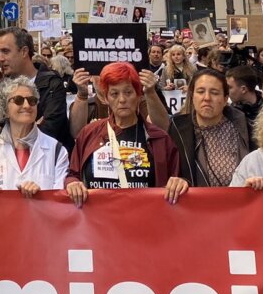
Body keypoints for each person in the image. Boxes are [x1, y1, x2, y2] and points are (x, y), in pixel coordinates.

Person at [66, 61, 187, 206]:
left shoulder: (159, 138)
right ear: (106, 98)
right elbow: (73, 174)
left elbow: (177, 178)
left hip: (144, 222)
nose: (122, 100)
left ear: (139, 95)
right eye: (114, 94)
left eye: (128, 92)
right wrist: (72, 183)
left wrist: (180, 182)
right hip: (98, 223)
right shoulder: (89, 133)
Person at [156, 68, 251, 187]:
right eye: (200, 91)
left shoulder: (245, 129)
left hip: (241, 203)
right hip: (192, 204)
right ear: (192, 96)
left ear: (225, 99)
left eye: (214, 93)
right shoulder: (177, 128)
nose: (207, 98)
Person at [0, 76, 68, 196]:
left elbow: (60, 200)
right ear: (5, 109)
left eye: (32, 100)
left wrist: (40, 196)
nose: (26, 105)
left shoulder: (57, 150)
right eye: (18, 100)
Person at [0, 28, 70, 148]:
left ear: (24, 52)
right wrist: (34, 126)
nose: (0, 58)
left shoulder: (52, 83)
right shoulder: (2, 85)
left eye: (5, 51)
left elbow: (51, 128)